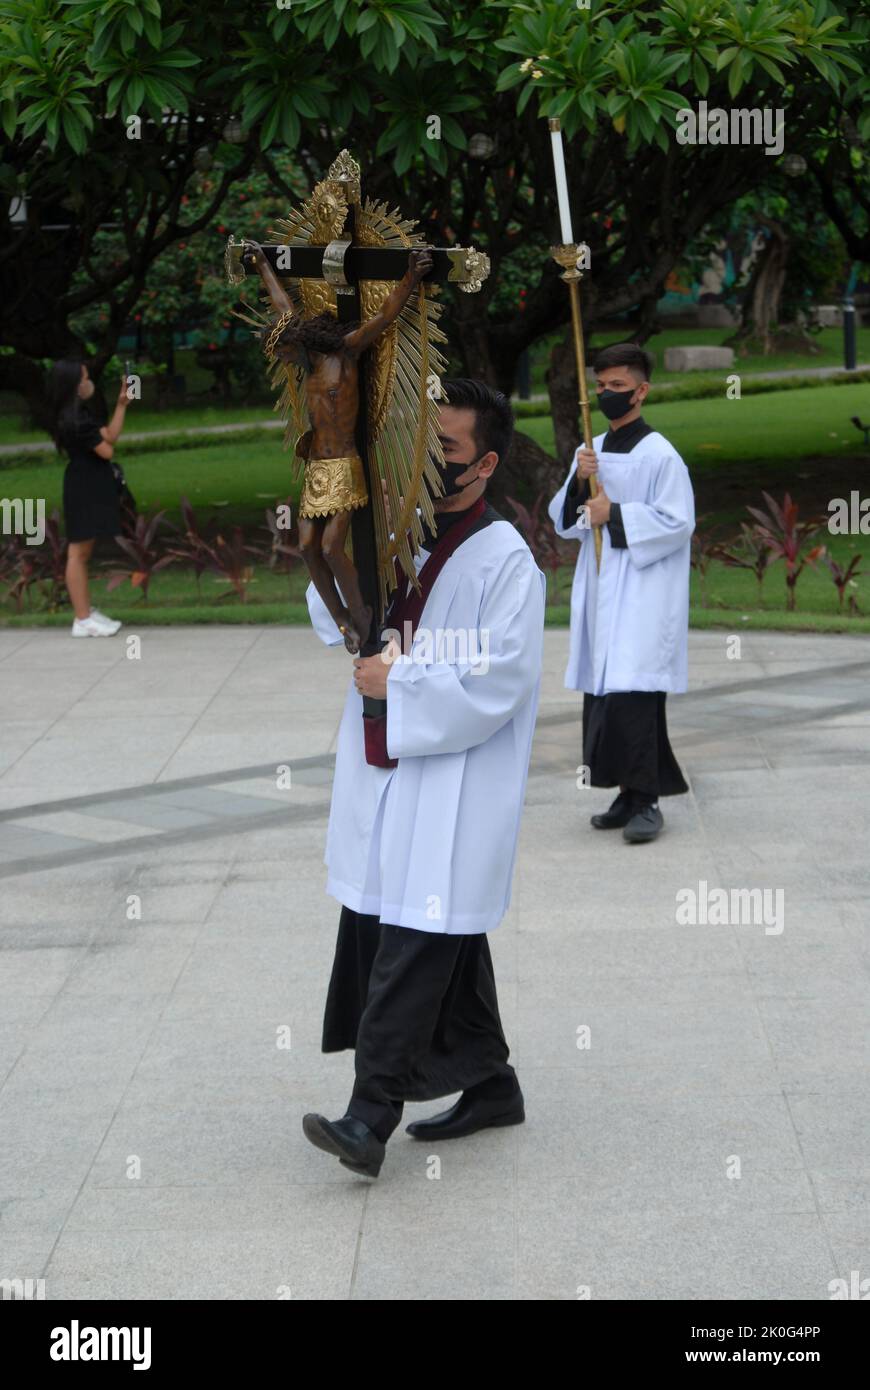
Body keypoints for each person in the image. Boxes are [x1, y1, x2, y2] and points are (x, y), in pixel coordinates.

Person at [302, 379, 545, 1179]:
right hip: (383, 769)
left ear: (485, 464)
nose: (428, 467)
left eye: (445, 453)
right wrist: (340, 539)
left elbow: (498, 681)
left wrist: (397, 683)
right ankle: (491, 1081)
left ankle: (370, 1117)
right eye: (421, 450)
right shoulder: (392, 534)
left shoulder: (505, 560)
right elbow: (328, 611)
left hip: (454, 781)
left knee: (411, 940)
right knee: (421, 926)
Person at [243, 239, 432, 653]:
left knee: (331, 547)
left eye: (283, 351)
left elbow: (383, 316)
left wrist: (412, 275)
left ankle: (361, 610)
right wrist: (261, 264)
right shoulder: (307, 360)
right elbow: (282, 308)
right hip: (317, 464)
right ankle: (340, 617)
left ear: (297, 342)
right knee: (308, 547)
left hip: (345, 462)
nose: (284, 359)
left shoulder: (345, 353)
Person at [548, 342, 695, 844]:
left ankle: (648, 799)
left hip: (643, 592)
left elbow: (677, 523)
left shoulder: (661, 456)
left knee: (635, 692)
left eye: (618, 386)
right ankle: (624, 794)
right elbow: (564, 520)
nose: (608, 394)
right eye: (602, 386)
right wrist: (580, 486)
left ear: (642, 390)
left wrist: (616, 514)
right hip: (601, 587)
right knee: (605, 694)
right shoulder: (590, 451)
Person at [46, 359, 136, 637]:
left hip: (88, 481)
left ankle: (84, 613)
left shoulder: (77, 413)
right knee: (77, 553)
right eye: (84, 378)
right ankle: (82, 619)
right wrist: (108, 439)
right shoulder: (74, 419)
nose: (88, 382)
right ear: (75, 384)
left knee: (82, 552)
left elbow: (109, 435)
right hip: (84, 485)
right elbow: (107, 450)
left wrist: (121, 404)